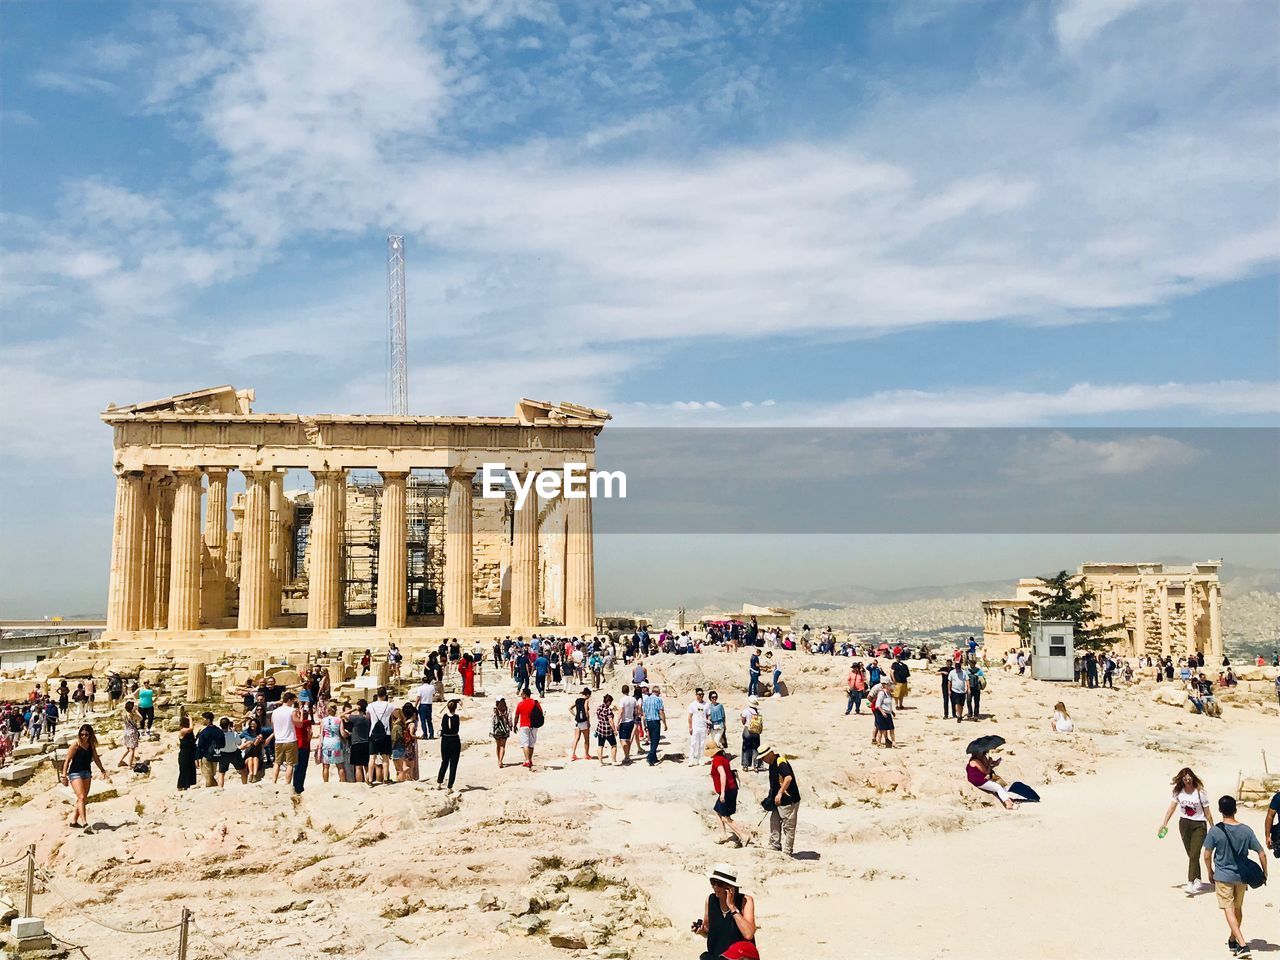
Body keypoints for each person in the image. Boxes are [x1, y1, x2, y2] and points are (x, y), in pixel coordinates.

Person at [1202, 795, 1268, 957]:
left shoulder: (1215, 831)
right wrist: (1265, 872)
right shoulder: (1246, 830)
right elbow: (1261, 853)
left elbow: (1206, 854)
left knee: (1229, 910)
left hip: (1223, 876)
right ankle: (1233, 939)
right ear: (1235, 809)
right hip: (1241, 877)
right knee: (1238, 909)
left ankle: (1243, 945)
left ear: (1220, 810)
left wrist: (1210, 871)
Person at [1158, 768, 1214, 894]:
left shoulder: (1200, 793)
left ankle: (1190, 883)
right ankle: (1198, 879)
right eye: (1184, 778)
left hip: (1199, 825)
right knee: (1191, 854)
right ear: (1181, 780)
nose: (1187, 780)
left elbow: (1208, 813)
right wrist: (1164, 823)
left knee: (1194, 854)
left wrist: (1213, 827)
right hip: (1184, 824)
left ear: (1193, 778)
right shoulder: (1178, 792)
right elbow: (1171, 808)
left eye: (1189, 778)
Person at [692, 863, 756, 959]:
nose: (715, 887)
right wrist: (701, 931)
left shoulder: (745, 901)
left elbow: (748, 934)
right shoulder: (710, 900)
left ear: (731, 887)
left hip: (738, 957)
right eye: (713, 882)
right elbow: (708, 930)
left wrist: (732, 907)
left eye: (719, 884)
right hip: (716, 955)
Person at [60, 724, 109, 831]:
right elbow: (67, 761)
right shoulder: (75, 745)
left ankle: (74, 821)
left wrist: (102, 770)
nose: (84, 736)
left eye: (86, 734)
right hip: (75, 773)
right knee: (82, 797)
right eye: (82, 734)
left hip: (87, 773)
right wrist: (64, 775)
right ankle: (84, 823)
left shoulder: (91, 745)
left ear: (90, 734)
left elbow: (96, 758)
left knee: (82, 798)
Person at [758, 744, 800, 856]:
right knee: (774, 821)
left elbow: (788, 777)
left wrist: (780, 793)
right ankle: (774, 845)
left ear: (770, 754)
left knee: (788, 826)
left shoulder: (780, 762)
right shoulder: (772, 764)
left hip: (788, 800)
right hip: (778, 801)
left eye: (763, 757)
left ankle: (787, 851)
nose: (763, 760)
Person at [707, 743, 750, 846]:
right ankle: (723, 834)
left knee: (725, 817)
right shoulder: (723, 758)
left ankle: (743, 835)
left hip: (727, 791)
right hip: (731, 788)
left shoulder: (717, 760)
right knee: (717, 811)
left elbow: (723, 775)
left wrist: (722, 793)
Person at [966, 750, 1039, 808]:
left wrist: (993, 764)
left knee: (1002, 786)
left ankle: (1010, 800)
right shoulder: (975, 761)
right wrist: (990, 764)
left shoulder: (979, 759)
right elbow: (986, 771)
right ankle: (1008, 803)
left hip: (985, 777)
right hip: (980, 779)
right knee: (998, 787)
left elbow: (987, 770)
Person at [366, 687, 395, 785]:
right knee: (385, 757)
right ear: (385, 695)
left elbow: (368, 717)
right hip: (385, 733)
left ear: (377, 694)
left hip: (373, 733)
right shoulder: (389, 706)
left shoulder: (370, 706)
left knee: (372, 758)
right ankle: (386, 778)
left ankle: (370, 779)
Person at [436, 699, 461, 790]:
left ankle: (439, 783)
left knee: (444, 762)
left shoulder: (444, 717)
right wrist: (461, 706)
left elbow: (437, 713)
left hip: (445, 740)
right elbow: (467, 715)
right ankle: (449, 787)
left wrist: (444, 706)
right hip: (454, 740)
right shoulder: (457, 717)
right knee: (453, 765)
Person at [217, 717, 248, 787]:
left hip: (223, 754)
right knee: (243, 770)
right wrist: (234, 732)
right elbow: (239, 743)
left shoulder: (218, 734)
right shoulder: (233, 734)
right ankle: (245, 785)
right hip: (234, 753)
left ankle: (220, 788)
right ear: (228, 725)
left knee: (221, 773)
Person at [514, 687, 540, 769]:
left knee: (525, 744)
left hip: (524, 725)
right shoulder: (535, 702)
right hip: (534, 725)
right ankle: (530, 759)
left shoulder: (520, 704)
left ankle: (527, 760)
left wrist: (514, 725)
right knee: (531, 744)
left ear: (524, 695)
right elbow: (540, 712)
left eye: (522, 694)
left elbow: (516, 716)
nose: (521, 695)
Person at [319, 702, 346, 782]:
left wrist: (320, 745)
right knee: (340, 765)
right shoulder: (338, 720)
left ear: (327, 710)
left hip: (327, 742)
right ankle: (343, 783)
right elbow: (342, 733)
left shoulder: (323, 720)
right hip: (336, 743)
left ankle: (326, 783)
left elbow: (321, 734)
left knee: (326, 765)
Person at [345, 700, 370, 783]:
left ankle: (359, 784)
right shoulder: (367, 718)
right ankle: (368, 781)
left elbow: (343, 715)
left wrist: (353, 710)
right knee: (366, 766)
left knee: (358, 767)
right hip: (366, 743)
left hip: (356, 743)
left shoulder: (356, 718)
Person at [641, 685, 667, 766]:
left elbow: (644, 713)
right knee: (655, 740)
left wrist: (644, 724)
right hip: (655, 721)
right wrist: (665, 723)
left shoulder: (646, 700)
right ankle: (650, 756)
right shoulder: (658, 700)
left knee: (652, 740)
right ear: (657, 692)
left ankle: (654, 757)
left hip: (649, 721)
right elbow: (661, 712)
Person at [195, 712, 222, 788]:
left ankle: (209, 790)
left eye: (203, 719)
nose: (202, 720)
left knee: (208, 775)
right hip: (216, 755)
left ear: (208, 719)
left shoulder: (204, 732)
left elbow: (200, 746)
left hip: (206, 755)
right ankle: (215, 787)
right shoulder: (218, 731)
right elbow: (223, 744)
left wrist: (197, 757)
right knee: (212, 774)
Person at [687, 688, 710, 766]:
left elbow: (708, 715)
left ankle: (701, 759)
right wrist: (690, 727)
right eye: (699, 694)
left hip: (703, 727)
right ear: (696, 695)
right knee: (693, 743)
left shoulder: (706, 704)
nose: (701, 696)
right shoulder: (692, 704)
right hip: (695, 726)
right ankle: (691, 760)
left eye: (702, 694)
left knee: (702, 744)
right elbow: (690, 716)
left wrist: (708, 726)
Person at [740, 696, 763, 772]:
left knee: (746, 748)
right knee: (756, 748)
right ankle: (756, 766)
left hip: (748, 730)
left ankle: (745, 765)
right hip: (756, 731)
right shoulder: (758, 711)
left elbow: (743, 722)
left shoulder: (745, 711)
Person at [595, 694, 618, 764]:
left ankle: (600, 761)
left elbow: (598, 716)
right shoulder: (608, 710)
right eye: (610, 702)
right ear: (608, 701)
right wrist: (614, 730)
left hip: (600, 729)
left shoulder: (599, 707)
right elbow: (610, 720)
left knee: (600, 745)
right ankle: (613, 760)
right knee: (614, 745)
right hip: (607, 730)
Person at [872, 679, 896, 747]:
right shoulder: (882, 693)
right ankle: (879, 743)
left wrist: (892, 711)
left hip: (888, 713)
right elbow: (878, 704)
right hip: (881, 713)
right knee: (881, 729)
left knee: (891, 728)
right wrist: (882, 712)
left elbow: (889, 704)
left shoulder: (889, 694)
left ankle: (893, 742)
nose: (891, 686)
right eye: (889, 685)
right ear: (886, 685)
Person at [118, 700, 141, 770]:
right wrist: (136, 711)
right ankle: (130, 766)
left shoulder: (124, 714)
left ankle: (120, 761)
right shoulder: (133, 715)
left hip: (126, 731)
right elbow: (141, 718)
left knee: (128, 749)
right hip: (132, 732)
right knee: (132, 750)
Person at [176, 713, 196, 790]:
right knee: (184, 770)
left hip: (190, 753)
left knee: (190, 770)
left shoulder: (189, 732)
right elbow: (191, 728)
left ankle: (186, 787)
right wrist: (190, 718)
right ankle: (180, 787)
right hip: (184, 753)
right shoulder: (182, 731)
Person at [414, 675, 436, 741]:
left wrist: (415, 706)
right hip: (429, 705)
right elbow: (433, 694)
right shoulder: (432, 687)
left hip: (423, 705)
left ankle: (425, 734)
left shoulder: (420, 688)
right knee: (429, 720)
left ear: (422, 681)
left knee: (423, 721)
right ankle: (431, 734)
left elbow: (418, 698)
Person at [491, 698, 511, 768]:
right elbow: (509, 719)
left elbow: (493, 721)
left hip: (496, 731)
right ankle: (500, 761)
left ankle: (498, 759)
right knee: (502, 746)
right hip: (505, 730)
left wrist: (492, 730)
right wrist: (511, 726)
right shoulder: (507, 710)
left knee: (498, 745)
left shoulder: (495, 710)